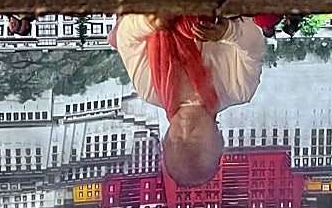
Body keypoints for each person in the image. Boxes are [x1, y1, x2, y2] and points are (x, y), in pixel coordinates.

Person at [112, 13, 263, 187]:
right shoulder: (238, 90)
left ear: (166, 137)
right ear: (217, 138)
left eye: (177, 139)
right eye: (195, 139)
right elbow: (254, 44)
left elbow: (126, 39)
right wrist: (227, 32)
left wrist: (149, 23)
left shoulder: (149, 90)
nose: (186, 130)